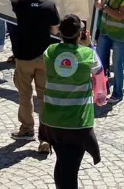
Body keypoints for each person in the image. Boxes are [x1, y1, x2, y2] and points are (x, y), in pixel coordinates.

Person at [39, 15, 102, 189]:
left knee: (62, 162)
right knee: (70, 169)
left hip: (52, 120)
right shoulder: (87, 54)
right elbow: (100, 70)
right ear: (80, 33)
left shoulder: (50, 52)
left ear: (59, 31)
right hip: (76, 123)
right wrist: (89, 44)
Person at [9, 0, 60, 152]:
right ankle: (45, 139)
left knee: (24, 94)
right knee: (44, 96)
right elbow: (55, 31)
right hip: (43, 56)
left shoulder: (19, 4)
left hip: (23, 57)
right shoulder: (49, 6)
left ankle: (26, 128)